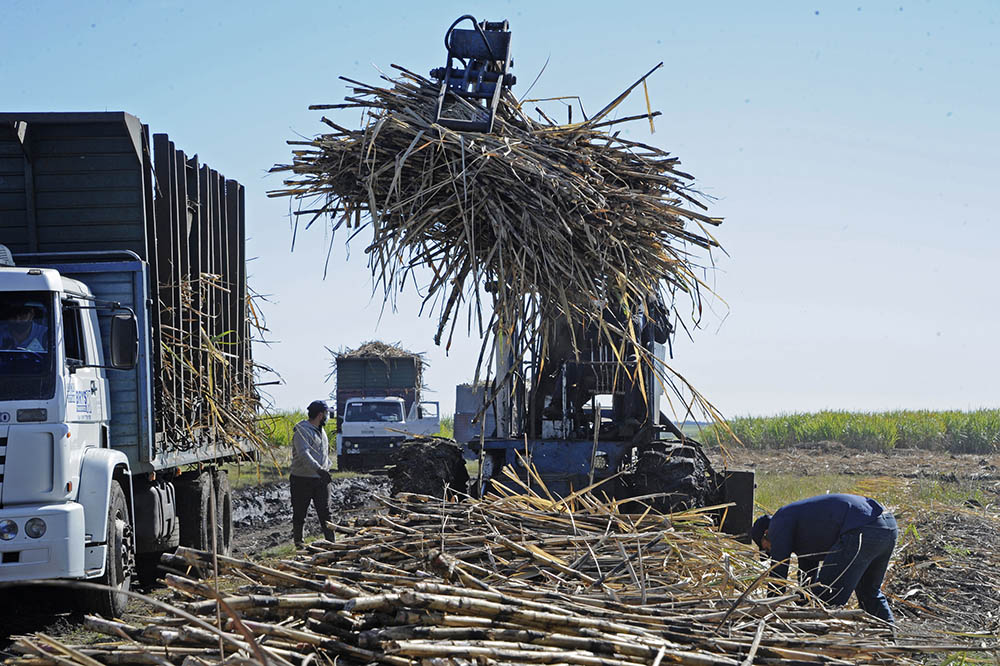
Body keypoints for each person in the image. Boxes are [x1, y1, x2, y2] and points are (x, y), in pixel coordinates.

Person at [750, 493, 898, 623]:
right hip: (887, 526)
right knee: (869, 593)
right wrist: (803, 600)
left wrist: (768, 608)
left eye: (766, 547)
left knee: (827, 597)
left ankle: (821, 643)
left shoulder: (779, 521)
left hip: (861, 529)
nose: (770, 551)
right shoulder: (802, 528)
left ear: (766, 532)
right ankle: (890, 639)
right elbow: (808, 574)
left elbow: (779, 570)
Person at [289, 400, 336, 548]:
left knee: (326, 513)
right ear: (320, 414)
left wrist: (327, 467)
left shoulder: (321, 431)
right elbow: (304, 455)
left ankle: (331, 543)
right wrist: (318, 469)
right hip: (302, 479)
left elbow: (323, 454)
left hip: (321, 479)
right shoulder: (302, 431)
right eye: (326, 414)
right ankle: (299, 543)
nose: (327, 417)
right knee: (300, 513)